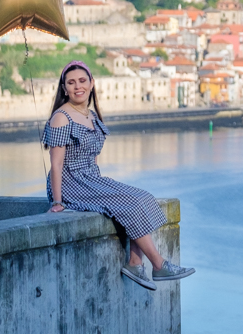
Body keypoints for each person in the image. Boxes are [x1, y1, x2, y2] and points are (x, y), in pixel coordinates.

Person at [43, 61, 194, 290]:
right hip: (71, 182)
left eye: (82, 81)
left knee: (143, 198)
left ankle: (135, 262)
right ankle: (159, 264)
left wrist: (103, 187)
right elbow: (56, 163)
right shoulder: (61, 117)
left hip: (91, 179)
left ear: (92, 84)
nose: (77, 86)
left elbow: (93, 158)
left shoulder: (91, 116)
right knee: (128, 204)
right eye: (71, 83)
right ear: (64, 88)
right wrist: (57, 201)